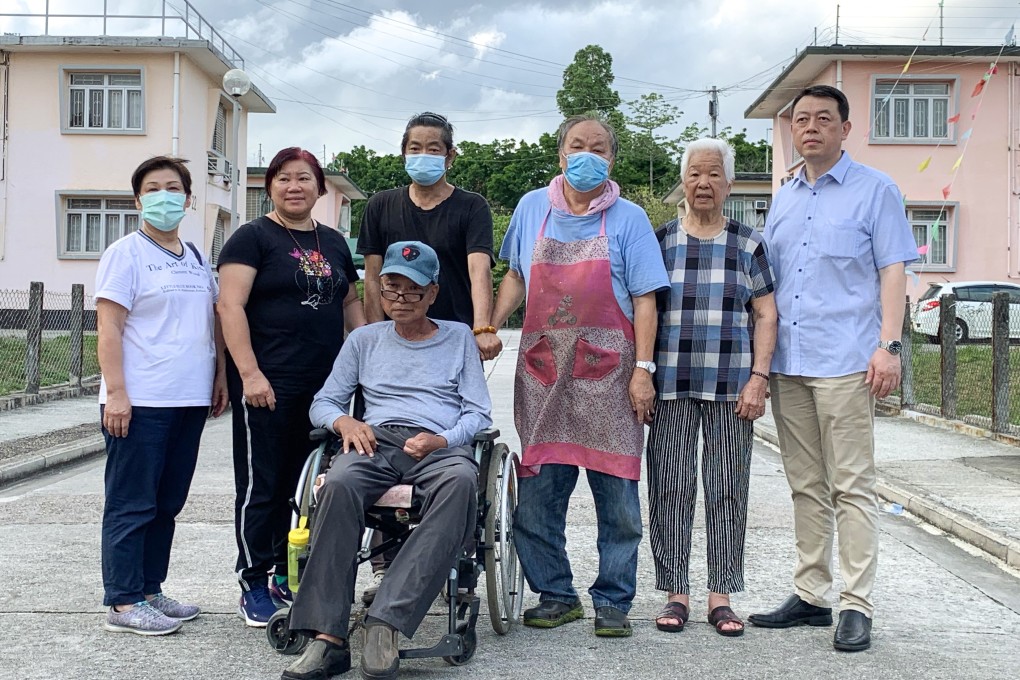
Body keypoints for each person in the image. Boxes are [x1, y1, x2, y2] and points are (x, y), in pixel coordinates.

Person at [748, 85, 917, 652]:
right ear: (792, 130)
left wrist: (888, 346)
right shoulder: (785, 195)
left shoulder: (876, 191)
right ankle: (812, 594)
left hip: (847, 361)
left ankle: (857, 604)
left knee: (852, 485)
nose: (811, 127)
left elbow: (894, 271)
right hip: (790, 364)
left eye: (824, 118)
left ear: (846, 127)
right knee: (805, 484)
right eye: (802, 119)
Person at [490, 114, 669, 637]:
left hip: (611, 376)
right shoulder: (530, 209)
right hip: (545, 372)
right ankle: (556, 594)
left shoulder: (630, 218)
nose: (586, 154)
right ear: (560, 155)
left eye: (598, 147)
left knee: (619, 503)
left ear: (611, 159)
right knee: (540, 498)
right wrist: (489, 326)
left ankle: (613, 601)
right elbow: (516, 276)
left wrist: (643, 370)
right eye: (576, 145)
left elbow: (645, 301)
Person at [280, 240, 491, 680]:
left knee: (460, 485)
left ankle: (385, 621)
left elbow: (478, 413)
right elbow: (324, 402)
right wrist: (344, 423)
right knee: (337, 484)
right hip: (375, 439)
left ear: (433, 292)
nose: (400, 299)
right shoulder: (363, 340)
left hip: (439, 444)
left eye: (412, 291)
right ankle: (328, 637)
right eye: (391, 288)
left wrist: (442, 439)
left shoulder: (457, 339)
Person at [217, 147, 367, 627]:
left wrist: (367, 362)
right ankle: (254, 579)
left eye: (304, 178)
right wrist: (250, 373)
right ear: (270, 187)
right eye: (283, 179)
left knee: (307, 487)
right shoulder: (252, 238)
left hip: (326, 388)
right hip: (271, 382)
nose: (293, 187)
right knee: (265, 483)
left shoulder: (334, 242)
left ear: (320, 188)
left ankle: (287, 571)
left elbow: (350, 307)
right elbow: (229, 307)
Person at [355, 112, 498, 603]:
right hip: (392, 340)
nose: (424, 155)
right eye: (415, 146)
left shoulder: (470, 207)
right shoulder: (381, 206)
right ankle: (387, 562)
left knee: (452, 446)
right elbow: (374, 276)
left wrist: (482, 328)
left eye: (434, 148)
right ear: (403, 151)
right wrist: (375, 336)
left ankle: (454, 560)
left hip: (452, 338)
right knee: (380, 445)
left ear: (450, 155)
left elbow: (479, 270)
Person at [647, 138, 778, 637]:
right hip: (670, 386)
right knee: (671, 489)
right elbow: (644, 311)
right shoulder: (659, 241)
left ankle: (720, 596)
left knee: (727, 491)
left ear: (729, 183)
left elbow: (765, 312)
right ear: (684, 181)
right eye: (695, 174)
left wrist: (759, 378)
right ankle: (675, 592)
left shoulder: (749, 243)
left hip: (732, 389)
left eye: (714, 175)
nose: (703, 183)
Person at [96, 156, 228, 635]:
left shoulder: (194, 255)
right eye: (153, 188)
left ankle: (151, 589)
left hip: (188, 399)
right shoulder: (125, 253)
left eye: (174, 188)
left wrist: (219, 376)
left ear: (189, 199)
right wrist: (117, 394)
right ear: (138, 200)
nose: (164, 196)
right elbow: (108, 328)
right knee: (132, 502)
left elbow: (209, 322)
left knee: (167, 502)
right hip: (142, 401)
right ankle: (123, 601)